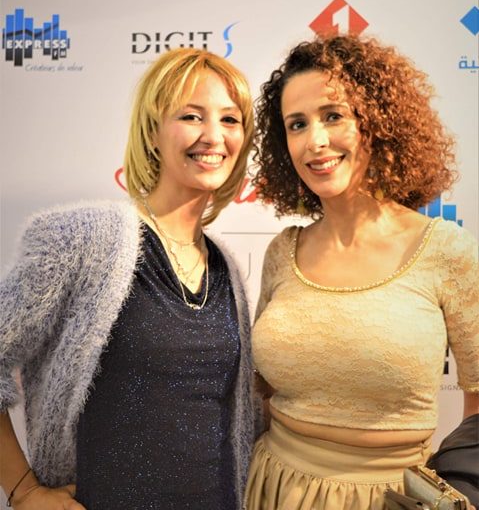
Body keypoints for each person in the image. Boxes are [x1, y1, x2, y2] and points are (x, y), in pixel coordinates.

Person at [0, 47, 257, 510]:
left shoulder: (226, 269)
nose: (214, 135)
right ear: (153, 132)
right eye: (192, 116)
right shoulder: (80, 240)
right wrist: (23, 490)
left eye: (230, 120)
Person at [244, 34, 479, 510]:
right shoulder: (282, 251)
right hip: (269, 486)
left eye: (333, 115)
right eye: (297, 124)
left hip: (390, 498)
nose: (315, 141)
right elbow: (260, 396)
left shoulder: (446, 250)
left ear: (376, 120)